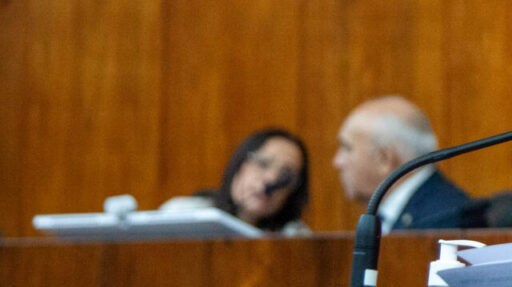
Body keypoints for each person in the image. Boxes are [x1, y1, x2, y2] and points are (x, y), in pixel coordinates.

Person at [332, 96, 470, 232]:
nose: (337, 162)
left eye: (347, 148)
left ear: (384, 159)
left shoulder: (443, 219)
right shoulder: (402, 214)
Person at [160, 127, 311, 234]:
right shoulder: (185, 214)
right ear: (240, 165)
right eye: (263, 163)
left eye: (285, 177)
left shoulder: (294, 238)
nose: (271, 179)